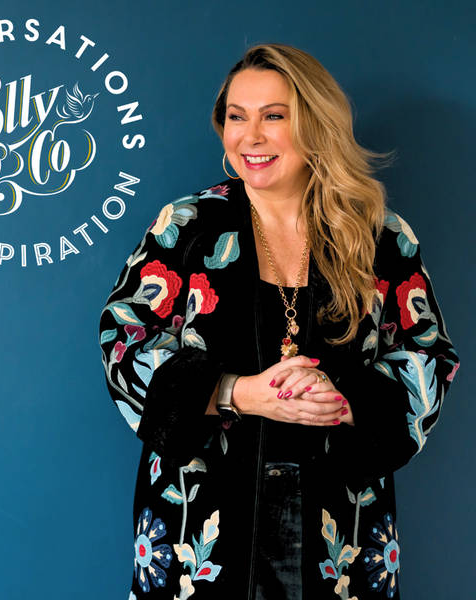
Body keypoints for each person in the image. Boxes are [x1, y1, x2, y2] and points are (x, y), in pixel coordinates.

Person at [98, 43, 460, 600]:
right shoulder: (186, 227)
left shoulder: (380, 235)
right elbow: (124, 341)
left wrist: (343, 399)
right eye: (236, 117)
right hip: (201, 531)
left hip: (341, 526)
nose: (250, 137)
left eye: (273, 116)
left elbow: (430, 354)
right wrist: (237, 393)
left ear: (315, 123)